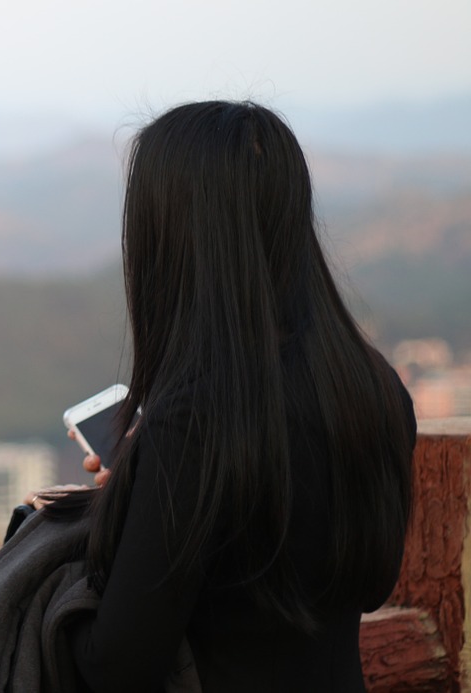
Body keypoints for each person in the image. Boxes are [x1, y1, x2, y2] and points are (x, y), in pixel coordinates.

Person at [33, 101, 416, 691]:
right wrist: (142, 489)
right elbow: (371, 587)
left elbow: (118, 665)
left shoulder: (192, 429)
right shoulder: (374, 389)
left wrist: (49, 588)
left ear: (170, 238)